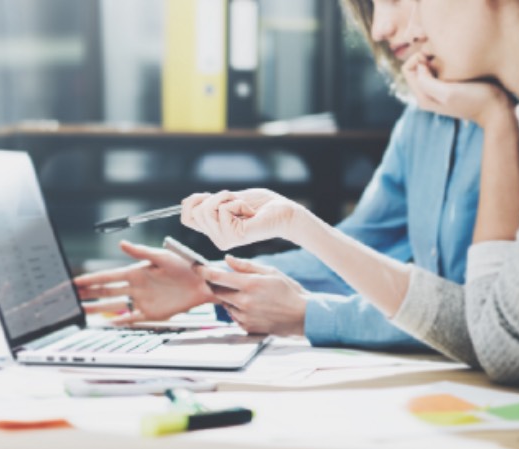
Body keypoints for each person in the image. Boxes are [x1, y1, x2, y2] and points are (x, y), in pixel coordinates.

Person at [181, 0, 519, 433]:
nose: (382, 27)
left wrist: (494, 124)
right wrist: (279, 233)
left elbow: (505, 346)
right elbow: (494, 324)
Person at [74, 0, 484, 351]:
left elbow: (480, 321)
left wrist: (309, 314)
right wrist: (211, 280)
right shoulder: (422, 117)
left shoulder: (514, 119)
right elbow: (353, 251)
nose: (378, 29)